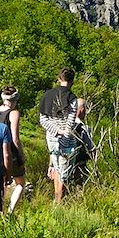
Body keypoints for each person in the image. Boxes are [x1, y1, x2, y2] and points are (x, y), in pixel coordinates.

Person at [39, 67, 79, 203]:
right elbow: (71, 121)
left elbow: (43, 119)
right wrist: (64, 135)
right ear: (72, 81)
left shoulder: (47, 95)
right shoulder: (72, 98)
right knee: (64, 172)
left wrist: (55, 131)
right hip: (67, 139)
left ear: (58, 79)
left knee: (57, 168)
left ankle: (56, 200)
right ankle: (58, 203)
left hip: (51, 137)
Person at [0, 86, 26, 213]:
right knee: (20, 183)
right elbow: (15, 138)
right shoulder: (13, 113)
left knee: (1, 184)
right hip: (10, 152)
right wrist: (21, 155)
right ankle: (10, 212)